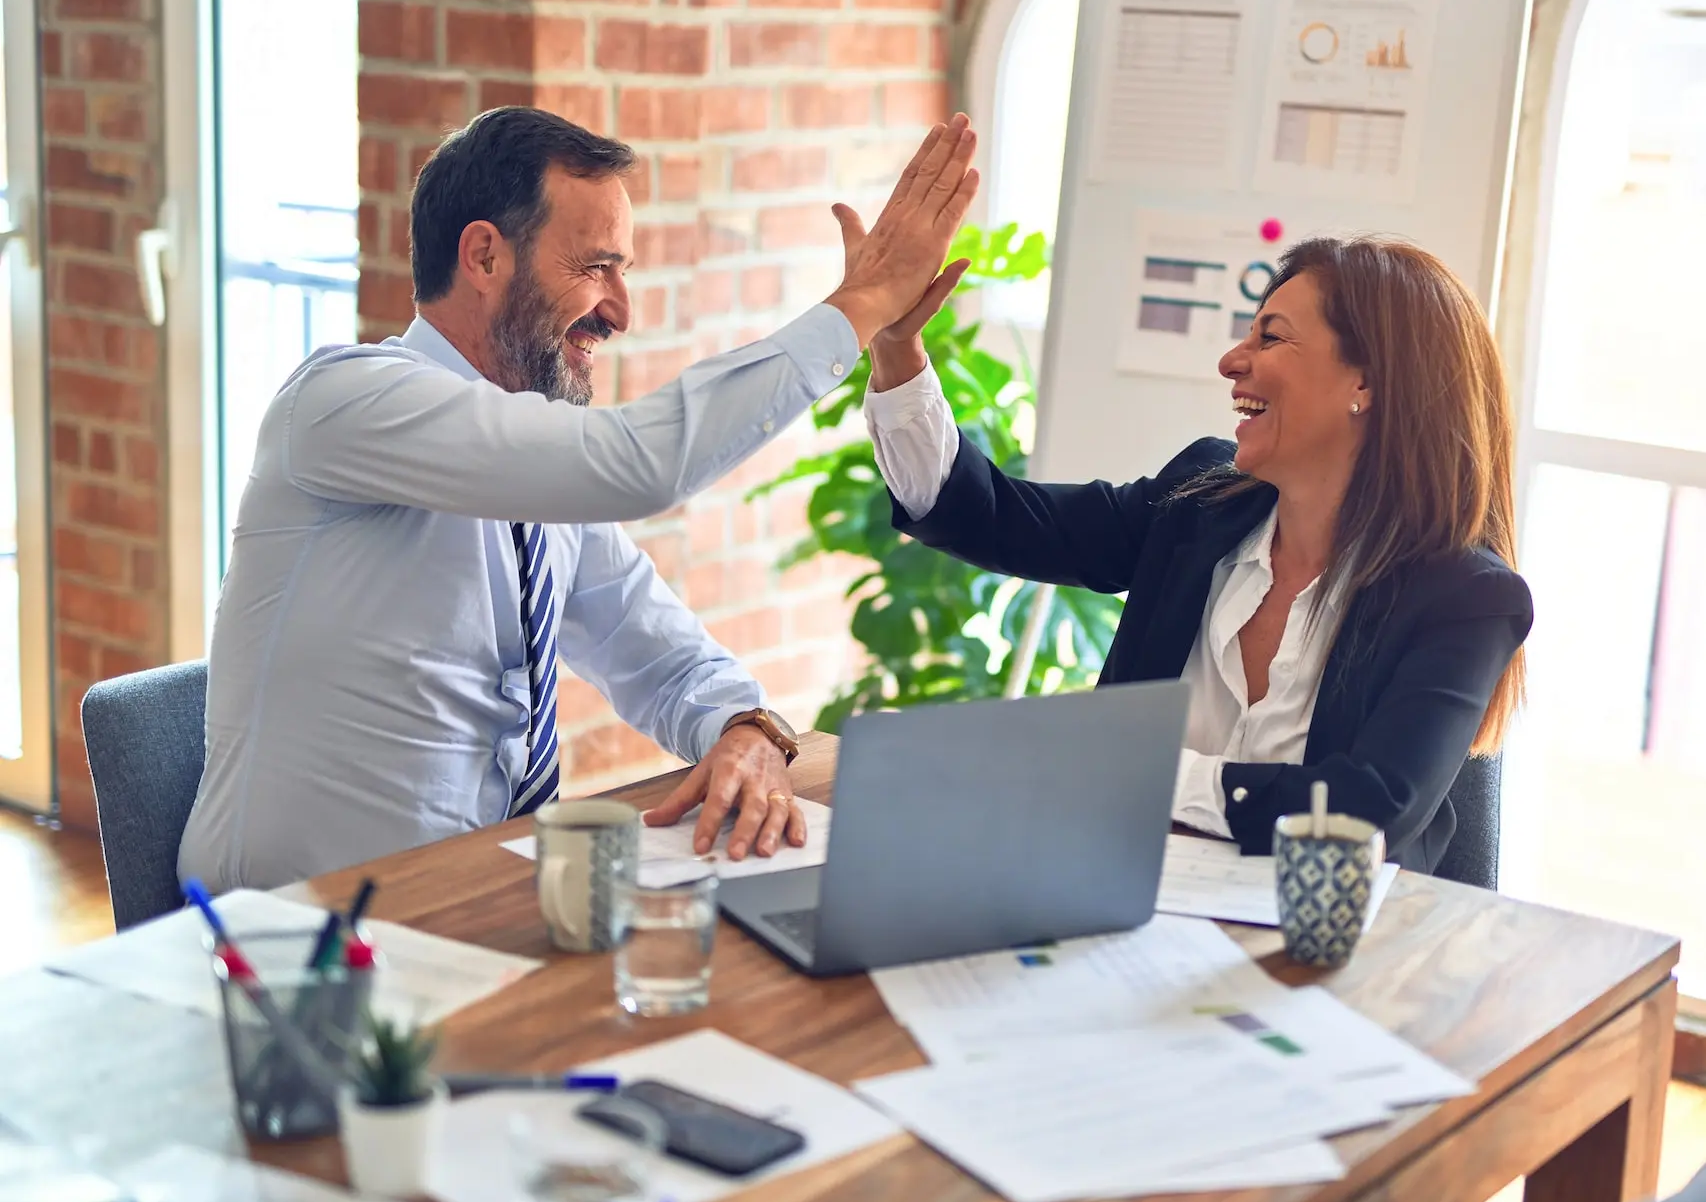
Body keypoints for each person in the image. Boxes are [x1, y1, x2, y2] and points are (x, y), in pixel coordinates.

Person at [178, 106, 979, 891]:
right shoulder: (345, 402)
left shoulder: (536, 476)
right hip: (292, 941)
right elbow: (640, 465)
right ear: (485, 258)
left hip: (475, 907)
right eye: (597, 266)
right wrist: (863, 304)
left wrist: (746, 728)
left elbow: (659, 654)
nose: (621, 311)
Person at [862, 236, 1532, 872]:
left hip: (1328, 959)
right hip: (1119, 907)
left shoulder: (1466, 598)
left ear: (1367, 384)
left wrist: (1139, 770)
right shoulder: (1199, 506)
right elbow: (989, 516)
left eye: (1270, 336)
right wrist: (897, 347)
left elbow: (1363, 815)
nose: (1232, 361)